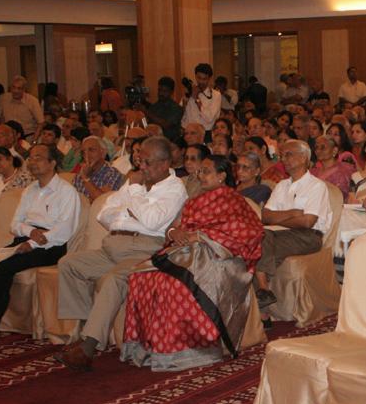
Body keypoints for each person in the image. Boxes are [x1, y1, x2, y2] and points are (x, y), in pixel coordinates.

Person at [55, 137, 189, 371]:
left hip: (145, 249)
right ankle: (85, 330)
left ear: (165, 163)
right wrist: (130, 210)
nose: (141, 167)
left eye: (147, 162)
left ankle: (87, 349)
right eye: (139, 161)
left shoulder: (175, 189)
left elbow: (152, 220)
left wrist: (134, 193)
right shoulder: (137, 181)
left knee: (113, 279)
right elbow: (105, 214)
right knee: (69, 264)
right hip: (113, 245)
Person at [122, 155, 264, 371]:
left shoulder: (233, 200)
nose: (200, 175)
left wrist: (202, 236)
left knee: (172, 284)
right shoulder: (194, 200)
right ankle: (151, 347)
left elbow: (250, 232)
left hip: (216, 256)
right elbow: (171, 228)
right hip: (182, 253)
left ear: (221, 176)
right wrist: (174, 232)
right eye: (199, 172)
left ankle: (186, 350)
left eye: (206, 171)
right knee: (141, 275)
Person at [0, 144, 81, 330]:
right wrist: (29, 232)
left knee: (3, 269)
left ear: (52, 163)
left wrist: (32, 242)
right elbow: (15, 225)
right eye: (30, 158)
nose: (32, 162)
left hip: (51, 246)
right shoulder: (30, 189)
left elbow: (64, 230)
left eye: (38, 157)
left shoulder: (66, 191)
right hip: (25, 238)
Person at [253, 140, 332, 309]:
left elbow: (308, 221)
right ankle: (264, 298)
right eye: (282, 155)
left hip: (309, 237)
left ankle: (262, 292)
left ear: (304, 158)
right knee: (257, 241)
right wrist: (293, 213)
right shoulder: (282, 185)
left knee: (260, 241)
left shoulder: (316, 186)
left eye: (288, 154)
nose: (283, 159)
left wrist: (279, 218)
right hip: (278, 233)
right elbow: (265, 216)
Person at [73, 136, 124, 202]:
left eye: (91, 150)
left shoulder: (113, 174)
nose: (87, 155)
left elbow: (103, 202)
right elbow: (72, 200)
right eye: (84, 152)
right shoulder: (79, 175)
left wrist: (86, 179)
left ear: (103, 153)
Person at [181, 63, 222, 141]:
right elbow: (183, 115)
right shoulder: (190, 91)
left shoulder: (216, 95)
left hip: (205, 134)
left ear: (209, 78)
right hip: (188, 132)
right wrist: (187, 98)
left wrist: (196, 98)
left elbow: (209, 118)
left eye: (204, 79)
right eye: (199, 78)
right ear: (195, 76)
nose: (201, 82)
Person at [146, 77, 184, 142]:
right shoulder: (154, 107)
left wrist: (146, 112)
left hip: (170, 144)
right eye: (159, 90)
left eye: (164, 91)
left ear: (171, 92)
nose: (161, 93)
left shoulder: (177, 108)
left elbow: (166, 124)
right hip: (154, 142)